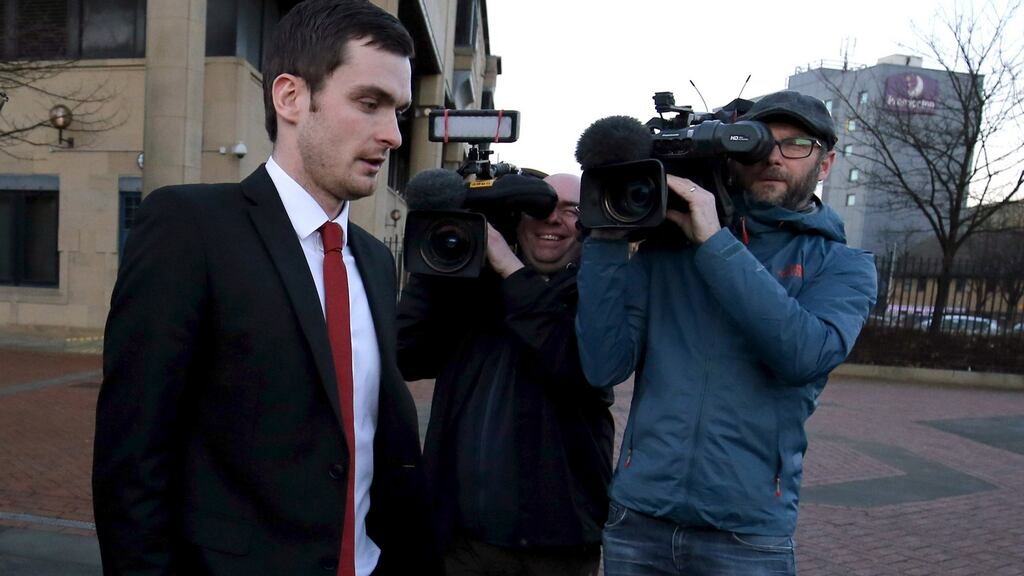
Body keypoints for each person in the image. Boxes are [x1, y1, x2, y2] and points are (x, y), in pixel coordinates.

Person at [92, 2, 440, 574]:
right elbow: (132, 460)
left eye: (398, 112)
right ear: (290, 98)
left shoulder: (376, 261)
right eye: (369, 103)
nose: (394, 135)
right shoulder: (190, 228)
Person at [575, 90, 878, 576]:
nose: (772, 157)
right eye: (756, 143)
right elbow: (603, 364)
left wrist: (714, 243)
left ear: (826, 163)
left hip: (747, 534)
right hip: (639, 521)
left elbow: (803, 354)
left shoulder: (844, 266)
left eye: (795, 144)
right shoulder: (668, 251)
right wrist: (607, 242)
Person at [397, 173, 614, 576]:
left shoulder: (599, 293)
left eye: (571, 211)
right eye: (540, 209)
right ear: (517, 220)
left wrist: (509, 267)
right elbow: (406, 353)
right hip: (462, 538)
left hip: (558, 544)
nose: (553, 220)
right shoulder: (476, 289)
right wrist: (443, 249)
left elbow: (571, 364)